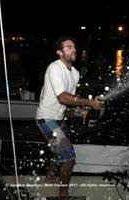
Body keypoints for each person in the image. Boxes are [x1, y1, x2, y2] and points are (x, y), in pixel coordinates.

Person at [35, 36, 103, 197]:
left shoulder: (76, 74)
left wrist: (82, 110)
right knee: (69, 157)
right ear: (59, 52)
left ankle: (50, 177)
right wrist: (89, 102)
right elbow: (62, 97)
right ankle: (63, 194)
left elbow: (69, 102)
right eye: (68, 47)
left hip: (58, 119)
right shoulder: (55, 68)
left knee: (58, 152)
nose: (74, 49)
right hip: (46, 119)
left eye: (74, 46)